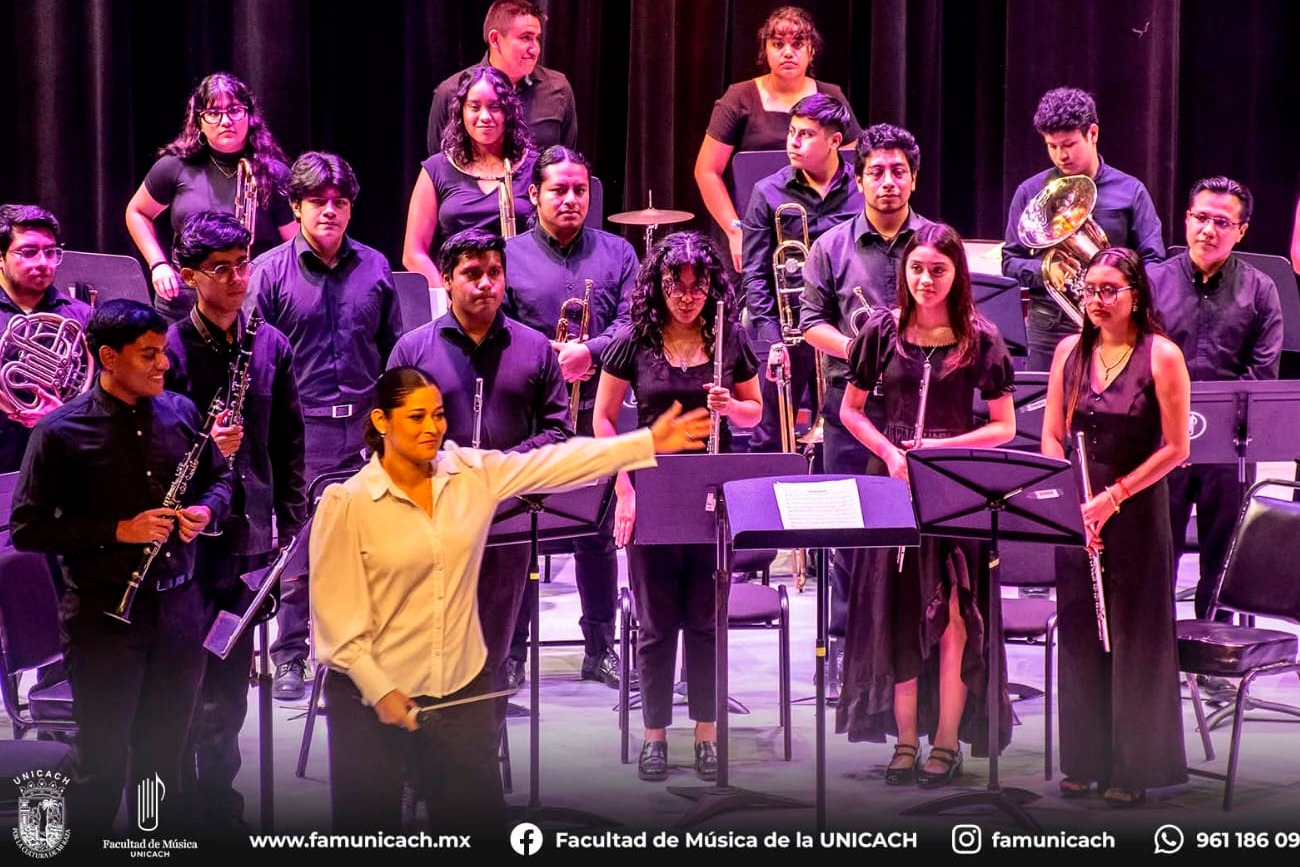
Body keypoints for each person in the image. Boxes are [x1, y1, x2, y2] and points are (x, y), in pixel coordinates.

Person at [309, 366, 710, 837]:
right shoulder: (347, 503)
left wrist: (645, 443)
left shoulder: (470, 474)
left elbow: (557, 463)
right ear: (381, 421)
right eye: (416, 417)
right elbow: (335, 621)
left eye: (438, 415)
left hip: (461, 693)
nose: (431, 428)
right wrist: (381, 690)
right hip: (370, 699)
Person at [10, 299, 232, 837]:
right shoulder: (61, 433)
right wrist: (119, 530)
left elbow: (221, 483)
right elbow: (27, 529)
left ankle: (153, 847)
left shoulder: (180, 412)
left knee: (164, 763)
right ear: (108, 357)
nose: (164, 365)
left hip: (179, 611)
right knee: (103, 763)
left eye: (162, 353)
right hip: (103, 619)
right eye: (148, 355)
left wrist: (206, 511)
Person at [836, 223, 1016, 787]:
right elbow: (850, 412)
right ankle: (906, 740)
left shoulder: (981, 338)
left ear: (957, 272)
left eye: (938, 270)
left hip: (953, 487)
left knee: (956, 614)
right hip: (892, 481)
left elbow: (1005, 427)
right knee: (895, 609)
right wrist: (892, 453)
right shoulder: (880, 333)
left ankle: (945, 742)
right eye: (917, 269)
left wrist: (941, 448)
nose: (925, 279)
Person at [593, 231, 762, 782]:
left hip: (715, 495)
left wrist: (731, 406)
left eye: (697, 285)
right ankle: (655, 737)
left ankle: (708, 736)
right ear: (657, 286)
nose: (687, 296)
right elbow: (602, 418)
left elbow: (756, 414)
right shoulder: (634, 340)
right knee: (657, 620)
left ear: (712, 285)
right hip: (652, 491)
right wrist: (623, 488)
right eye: (675, 285)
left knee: (707, 620)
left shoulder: (729, 338)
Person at [387, 229, 569, 723]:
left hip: (504, 527)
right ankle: (414, 777)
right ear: (446, 281)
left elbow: (557, 431)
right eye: (471, 274)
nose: (485, 284)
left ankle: (478, 777)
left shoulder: (535, 348)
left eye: (494, 273)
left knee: (489, 658)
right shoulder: (412, 349)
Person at [165, 211, 307, 833]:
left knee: (229, 688)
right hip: (186, 545)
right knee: (182, 686)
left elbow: (289, 444)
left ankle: (219, 809)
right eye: (219, 269)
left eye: (243, 264)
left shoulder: (269, 343)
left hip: (249, 543)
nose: (236, 279)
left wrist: (290, 534)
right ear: (191, 276)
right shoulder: (166, 348)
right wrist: (206, 446)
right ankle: (172, 813)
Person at [248, 151, 403, 700]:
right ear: (296, 206)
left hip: (364, 427)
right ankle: (290, 655)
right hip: (302, 430)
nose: (330, 212)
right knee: (299, 547)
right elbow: (256, 363)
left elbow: (393, 353)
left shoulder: (376, 267)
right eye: (317, 202)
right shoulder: (267, 272)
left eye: (340, 203)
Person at [1041, 247, 1190, 806]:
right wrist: (1073, 501)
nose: (1097, 301)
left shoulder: (1162, 356)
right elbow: (1052, 435)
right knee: (1082, 631)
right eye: (1091, 290)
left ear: (1136, 296)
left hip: (1136, 506)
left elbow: (1177, 448)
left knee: (1134, 636)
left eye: (1110, 291)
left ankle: (1133, 767)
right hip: (1078, 510)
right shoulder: (1068, 353)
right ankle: (1085, 760)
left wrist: (1114, 497)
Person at [798, 122, 931, 685]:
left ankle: (911, 652)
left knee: (918, 534)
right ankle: (845, 652)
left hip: (921, 412)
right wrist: (863, 347)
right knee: (848, 536)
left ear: (914, 179)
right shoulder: (831, 246)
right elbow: (808, 325)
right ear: (858, 178)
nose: (887, 182)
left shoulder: (935, 244)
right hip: (847, 409)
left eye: (898, 172)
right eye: (875, 171)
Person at [502, 146, 638, 689]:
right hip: (528, 419)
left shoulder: (619, 252)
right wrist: (548, 358)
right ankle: (511, 654)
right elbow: (495, 321)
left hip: (595, 417)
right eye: (558, 189)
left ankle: (599, 647)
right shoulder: (506, 255)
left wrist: (592, 351)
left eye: (579, 190)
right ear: (533, 194)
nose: (570, 199)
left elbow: (635, 321)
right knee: (518, 538)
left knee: (596, 536)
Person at [1149, 177, 1281, 633]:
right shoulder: (1150, 282)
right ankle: (1158, 654)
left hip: (1229, 449)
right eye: (1200, 217)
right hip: (1161, 444)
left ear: (1241, 231)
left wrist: (1208, 426)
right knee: (1155, 552)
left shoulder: (1261, 290)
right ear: (1186, 220)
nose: (1208, 229)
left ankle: (1213, 646)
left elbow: (1262, 374)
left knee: (1221, 553)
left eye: (1222, 222)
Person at [1002, 87, 1165, 371]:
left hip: (1114, 321)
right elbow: (1010, 261)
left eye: (1069, 144)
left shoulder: (1130, 191)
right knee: (1040, 408)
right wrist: (1044, 272)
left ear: (1093, 133)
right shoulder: (1030, 193)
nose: (1060, 156)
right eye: (1052, 146)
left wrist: (1120, 287)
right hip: (1049, 324)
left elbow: (1154, 261)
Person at [741, 92, 863, 453]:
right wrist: (773, 338)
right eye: (792, 131)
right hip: (792, 332)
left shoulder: (861, 189)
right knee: (770, 435)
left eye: (806, 134)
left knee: (848, 432)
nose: (793, 141)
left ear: (835, 141)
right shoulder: (768, 192)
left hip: (846, 330)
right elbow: (756, 274)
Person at [695, 6, 861, 270]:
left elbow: (854, 167)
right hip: (757, 229)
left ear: (812, 50)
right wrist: (736, 231)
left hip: (822, 229)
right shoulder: (738, 98)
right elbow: (707, 171)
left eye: (797, 44)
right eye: (777, 44)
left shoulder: (831, 97)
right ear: (765, 50)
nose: (787, 52)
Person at [125, 72, 296, 324]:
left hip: (249, 296)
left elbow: (294, 243)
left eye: (235, 110)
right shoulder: (174, 166)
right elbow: (137, 212)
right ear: (199, 122)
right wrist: (158, 264)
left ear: (249, 116)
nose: (225, 121)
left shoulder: (274, 174)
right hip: (185, 298)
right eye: (213, 113)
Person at [404, 65, 537, 290]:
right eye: (474, 107)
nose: (485, 116)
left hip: (519, 294)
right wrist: (446, 294)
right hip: (459, 294)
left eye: (495, 107)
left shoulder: (535, 166)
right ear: (461, 111)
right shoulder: (437, 168)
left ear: (509, 112)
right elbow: (413, 252)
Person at [0, 204, 93, 472]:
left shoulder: (82, 316)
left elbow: (103, 393)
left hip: (65, 458)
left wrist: (60, 414)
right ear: (1, 257)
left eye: (51, 252)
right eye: (28, 252)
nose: (43, 262)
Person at [425, 0, 576, 156]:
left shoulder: (558, 88)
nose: (535, 49)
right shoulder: (451, 92)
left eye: (537, 38)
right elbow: (439, 169)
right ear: (495, 39)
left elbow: (566, 162)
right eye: (525, 38)